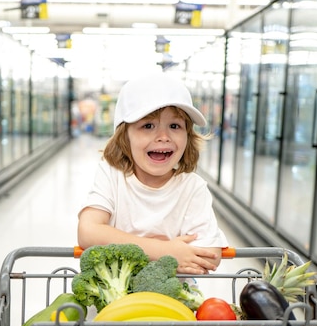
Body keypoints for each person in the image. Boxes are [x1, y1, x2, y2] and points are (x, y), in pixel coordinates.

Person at [77, 73, 228, 275]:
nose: (163, 137)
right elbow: (88, 231)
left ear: (188, 136)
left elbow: (209, 255)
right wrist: (165, 250)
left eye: (175, 126)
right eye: (148, 126)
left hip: (173, 302)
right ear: (124, 136)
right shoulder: (112, 175)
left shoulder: (192, 188)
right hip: (113, 302)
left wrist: (117, 241)